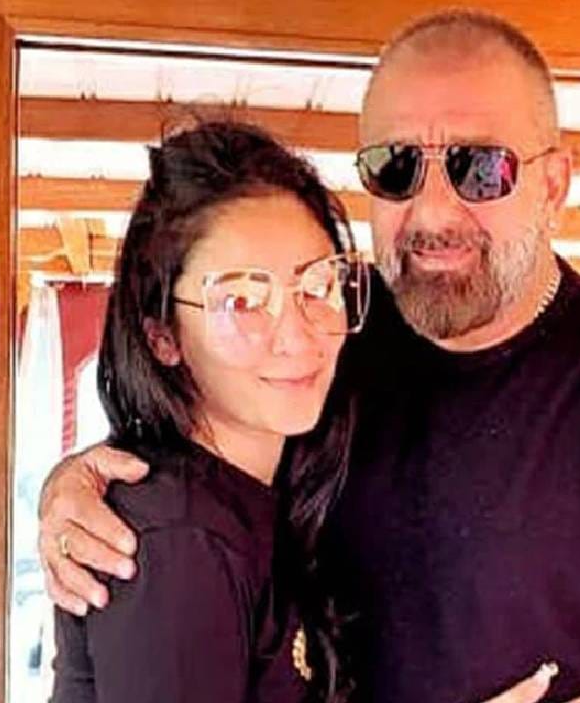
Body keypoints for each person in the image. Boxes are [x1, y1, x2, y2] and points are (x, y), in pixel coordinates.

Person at [38, 10, 580, 703]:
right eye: (397, 166)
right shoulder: (329, 344)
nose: (433, 210)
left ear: (554, 184)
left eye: (479, 168)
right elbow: (185, 474)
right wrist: (77, 490)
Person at [49, 120, 370, 703]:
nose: (296, 336)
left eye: (318, 286)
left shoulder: (259, 501)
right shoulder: (178, 539)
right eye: (242, 300)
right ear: (163, 336)